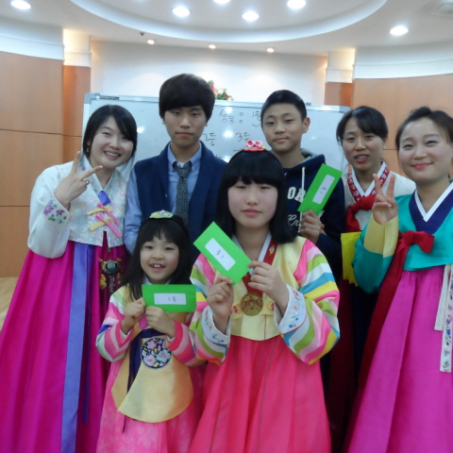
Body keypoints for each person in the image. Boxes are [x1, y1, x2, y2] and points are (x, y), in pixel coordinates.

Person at [168, 149, 339, 452]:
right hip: (229, 382)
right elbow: (198, 352)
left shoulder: (306, 253)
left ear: (280, 194)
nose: (251, 198)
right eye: (241, 186)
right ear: (225, 193)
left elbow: (325, 340)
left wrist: (284, 295)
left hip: (291, 382)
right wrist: (217, 317)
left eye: (264, 187)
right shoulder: (210, 259)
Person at [0, 105, 138, 453]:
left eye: (124, 138)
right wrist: (61, 199)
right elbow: (41, 245)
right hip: (60, 282)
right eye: (106, 133)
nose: (115, 144)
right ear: (89, 138)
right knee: (56, 367)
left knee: (109, 359)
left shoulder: (131, 183)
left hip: (113, 284)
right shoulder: (55, 176)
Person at [347, 107, 453, 452]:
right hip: (395, 332)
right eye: (408, 145)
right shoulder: (393, 207)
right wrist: (380, 226)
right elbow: (368, 279)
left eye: (431, 142)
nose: (419, 153)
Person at [327, 107, 415, 452]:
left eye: (369, 136)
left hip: (389, 294)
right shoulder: (332, 187)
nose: (359, 145)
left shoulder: (406, 188)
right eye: (350, 138)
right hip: (341, 293)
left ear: (384, 140)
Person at [96, 212, 203, 453]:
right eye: (149, 247)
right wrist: (126, 324)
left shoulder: (192, 297)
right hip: (133, 391)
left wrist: (172, 328)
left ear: (182, 253)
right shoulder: (124, 296)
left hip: (178, 394)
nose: (157, 255)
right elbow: (107, 351)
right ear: (138, 251)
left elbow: (199, 355)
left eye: (168, 248)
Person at [124, 73, 227, 263]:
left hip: (209, 275)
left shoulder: (225, 174)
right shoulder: (143, 172)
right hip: (155, 274)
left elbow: (231, 230)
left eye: (195, 114)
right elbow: (131, 229)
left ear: (207, 118)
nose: (185, 123)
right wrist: (156, 261)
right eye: (176, 113)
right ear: (163, 116)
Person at [261, 89, 345, 282]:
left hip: (307, 284)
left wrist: (319, 239)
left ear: (305, 124)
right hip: (255, 280)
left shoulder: (326, 179)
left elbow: (340, 255)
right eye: (270, 123)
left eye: (288, 120)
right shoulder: (251, 174)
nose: (279, 129)